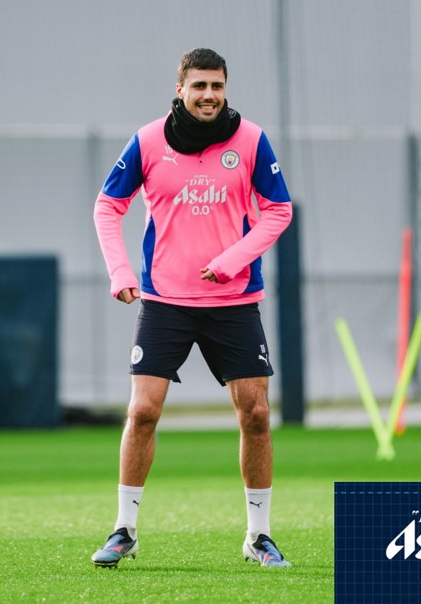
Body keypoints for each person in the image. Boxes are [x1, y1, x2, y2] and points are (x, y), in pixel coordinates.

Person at [90, 48, 294, 569]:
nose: (209, 95)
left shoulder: (249, 139)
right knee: (142, 412)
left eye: (217, 86)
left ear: (226, 90)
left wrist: (232, 260)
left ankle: (258, 536)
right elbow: (108, 206)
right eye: (199, 86)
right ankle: (124, 530)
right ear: (180, 89)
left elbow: (278, 210)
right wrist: (120, 272)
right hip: (165, 302)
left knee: (256, 415)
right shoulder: (148, 141)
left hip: (234, 300)